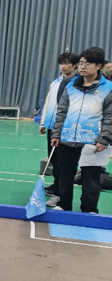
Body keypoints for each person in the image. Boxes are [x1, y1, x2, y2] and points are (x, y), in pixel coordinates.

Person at [51, 47, 112, 213]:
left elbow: (110, 117)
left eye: (88, 63)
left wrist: (103, 139)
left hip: (92, 142)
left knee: (91, 177)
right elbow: (62, 111)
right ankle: (64, 205)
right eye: (81, 63)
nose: (82, 67)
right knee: (65, 175)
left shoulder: (108, 88)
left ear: (98, 66)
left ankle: (89, 209)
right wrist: (56, 133)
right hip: (67, 138)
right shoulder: (70, 85)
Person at [39, 52, 79, 206]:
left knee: (64, 163)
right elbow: (48, 103)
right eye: (62, 63)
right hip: (52, 127)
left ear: (75, 65)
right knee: (54, 160)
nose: (63, 66)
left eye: (67, 63)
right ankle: (56, 187)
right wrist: (43, 123)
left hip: (66, 128)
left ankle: (60, 193)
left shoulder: (76, 83)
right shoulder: (55, 83)